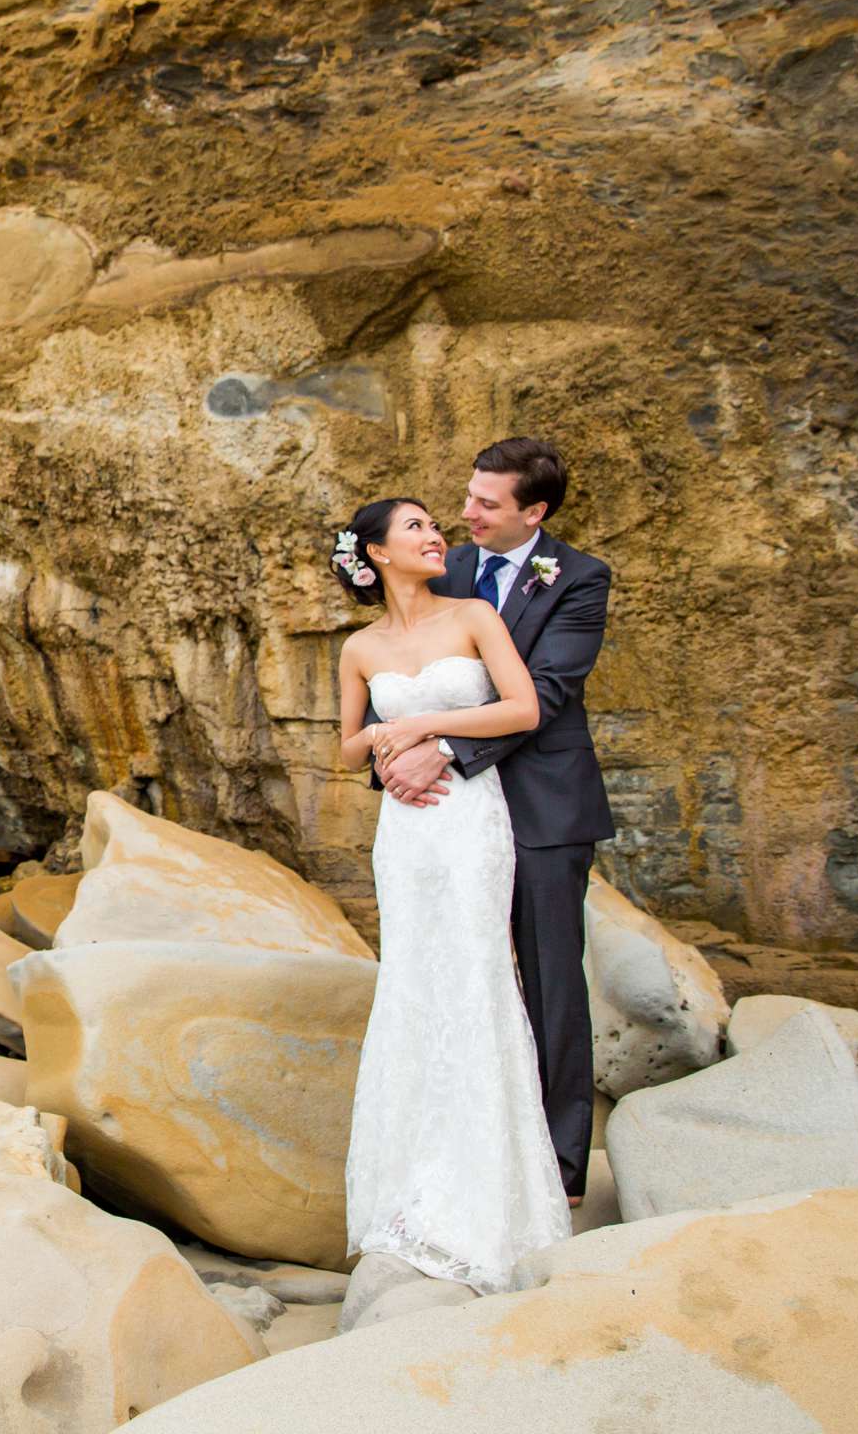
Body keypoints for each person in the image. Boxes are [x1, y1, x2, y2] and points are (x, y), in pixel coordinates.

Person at [332, 493, 570, 1291]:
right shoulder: (359, 647)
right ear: (375, 556)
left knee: (475, 975)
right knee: (410, 981)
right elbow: (345, 747)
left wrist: (428, 733)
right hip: (404, 833)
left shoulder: (473, 616)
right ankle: (409, 1191)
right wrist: (384, 740)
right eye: (417, 529)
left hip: (468, 817)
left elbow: (523, 705)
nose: (437, 536)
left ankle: (488, 1204)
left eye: (437, 524)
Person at [368, 437, 614, 1206]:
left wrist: (442, 748)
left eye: (486, 503)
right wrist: (390, 747)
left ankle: (562, 1170)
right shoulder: (453, 566)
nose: (464, 513)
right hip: (450, 819)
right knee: (455, 972)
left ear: (533, 512)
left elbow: (549, 691)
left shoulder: (579, 579)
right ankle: (460, 1144)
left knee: (549, 981)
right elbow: (397, 660)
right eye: (468, 495)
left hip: (542, 803)